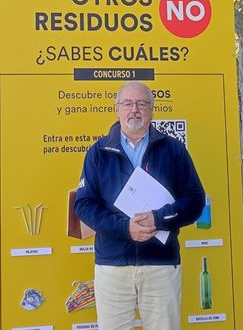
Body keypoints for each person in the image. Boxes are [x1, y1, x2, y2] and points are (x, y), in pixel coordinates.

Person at [73, 81, 204, 330]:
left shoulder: (173, 150)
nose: (135, 109)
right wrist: (125, 228)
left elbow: (195, 201)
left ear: (152, 110)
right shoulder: (98, 152)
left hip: (161, 265)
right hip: (113, 265)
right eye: (128, 103)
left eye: (142, 103)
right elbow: (85, 205)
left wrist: (159, 218)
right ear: (117, 108)